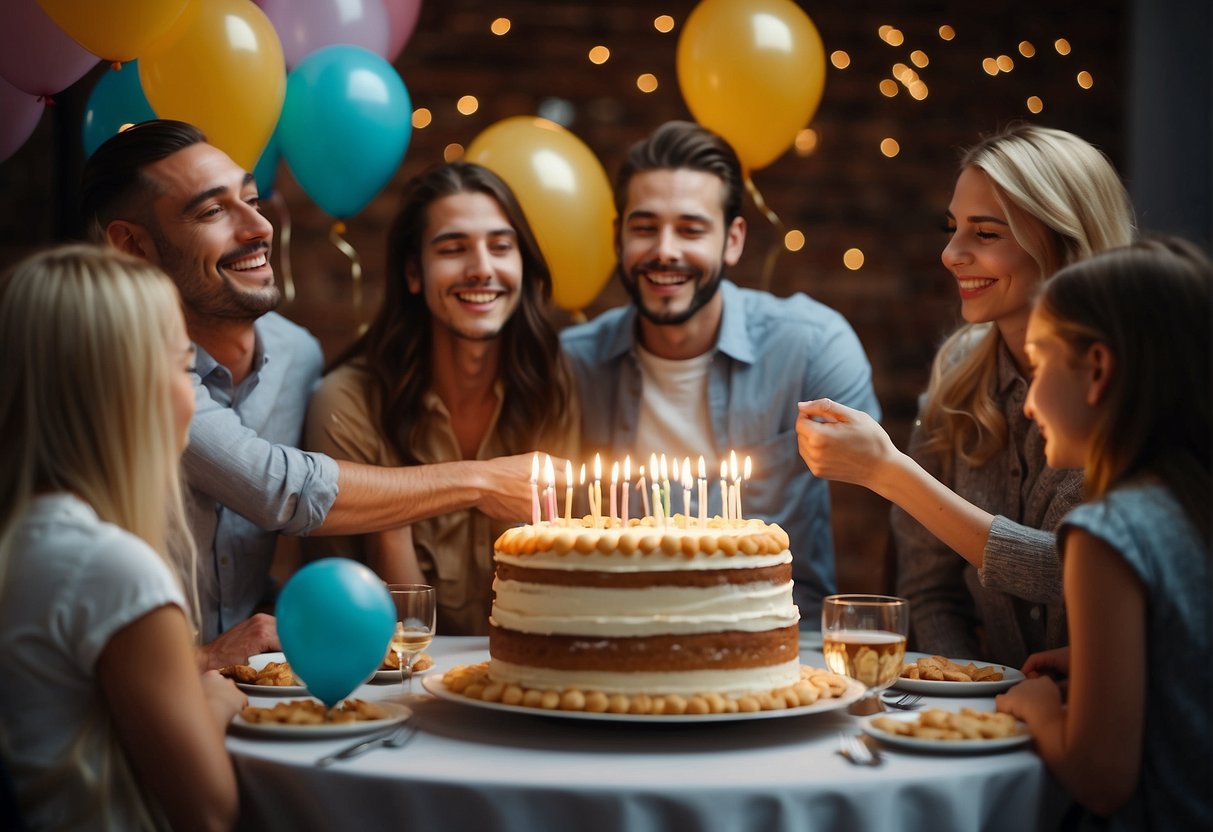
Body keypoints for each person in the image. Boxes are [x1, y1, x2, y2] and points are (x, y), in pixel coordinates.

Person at [79, 120, 547, 663]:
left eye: (252, 199)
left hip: (256, 691)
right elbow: (277, 488)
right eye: (212, 211)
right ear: (132, 245)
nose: (258, 227)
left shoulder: (298, 357)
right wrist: (482, 480)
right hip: (125, 694)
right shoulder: (127, 367)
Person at [797, 124, 1135, 667]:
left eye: (985, 234)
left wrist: (889, 471)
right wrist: (968, 695)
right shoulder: (958, 371)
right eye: (952, 229)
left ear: (1063, 242)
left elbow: (1076, 572)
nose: (952, 254)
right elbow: (927, 587)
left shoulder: (1132, 386)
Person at [561, 120, 881, 627]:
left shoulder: (810, 346)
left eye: (690, 229)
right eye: (644, 227)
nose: (665, 250)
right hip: (615, 642)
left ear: (732, 241)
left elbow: (889, 494)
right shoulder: (572, 364)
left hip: (778, 647)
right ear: (618, 238)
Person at [0, 245, 244, 830]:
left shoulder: (26, 540)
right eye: (184, 365)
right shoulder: (109, 569)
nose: (194, 394)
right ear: (128, 391)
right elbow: (209, 812)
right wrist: (215, 698)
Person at [304, 162, 579, 634]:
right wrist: (391, 512)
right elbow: (393, 634)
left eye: (501, 246)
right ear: (414, 273)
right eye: (454, 249)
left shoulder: (548, 385)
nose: (482, 269)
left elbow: (560, 589)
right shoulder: (348, 403)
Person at [997, 237, 1211, 828]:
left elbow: (1100, 774)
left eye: (1040, 367)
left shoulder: (1105, 534)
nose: (1030, 404)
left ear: (1097, 370)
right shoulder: (1192, 505)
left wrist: (1038, 709)